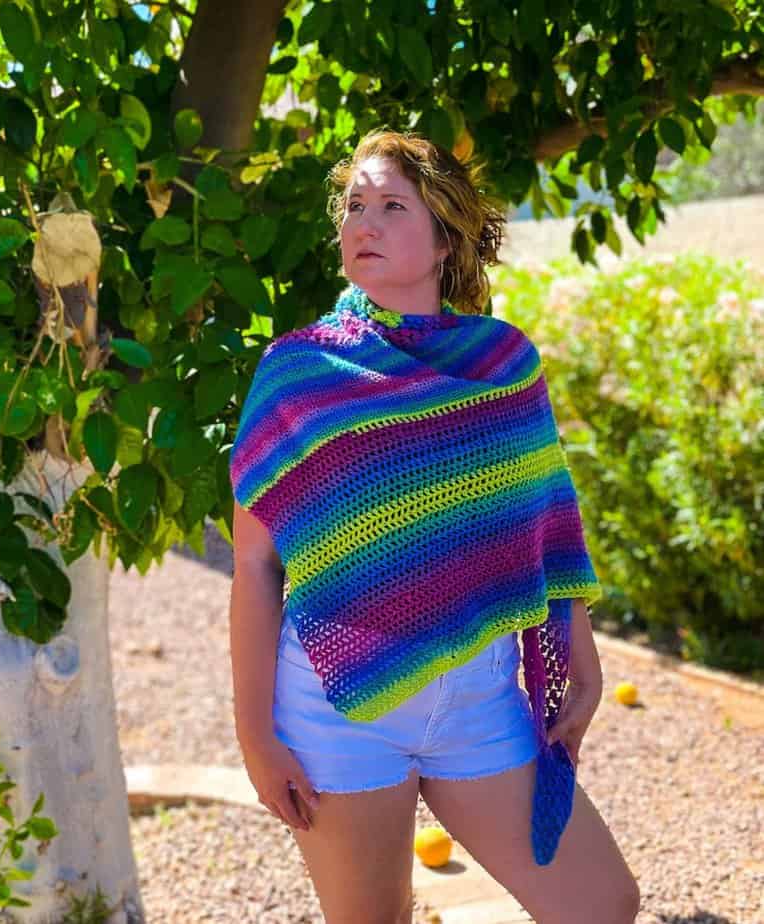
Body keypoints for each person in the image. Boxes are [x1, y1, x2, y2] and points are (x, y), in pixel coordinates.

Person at [228, 129, 640, 924]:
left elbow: (548, 533)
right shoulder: (300, 374)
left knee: (603, 904)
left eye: (390, 205)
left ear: (445, 236)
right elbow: (255, 569)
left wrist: (580, 660)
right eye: (353, 206)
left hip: (481, 703)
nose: (363, 224)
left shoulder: (503, 365)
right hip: (342, 714)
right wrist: (257, 739)